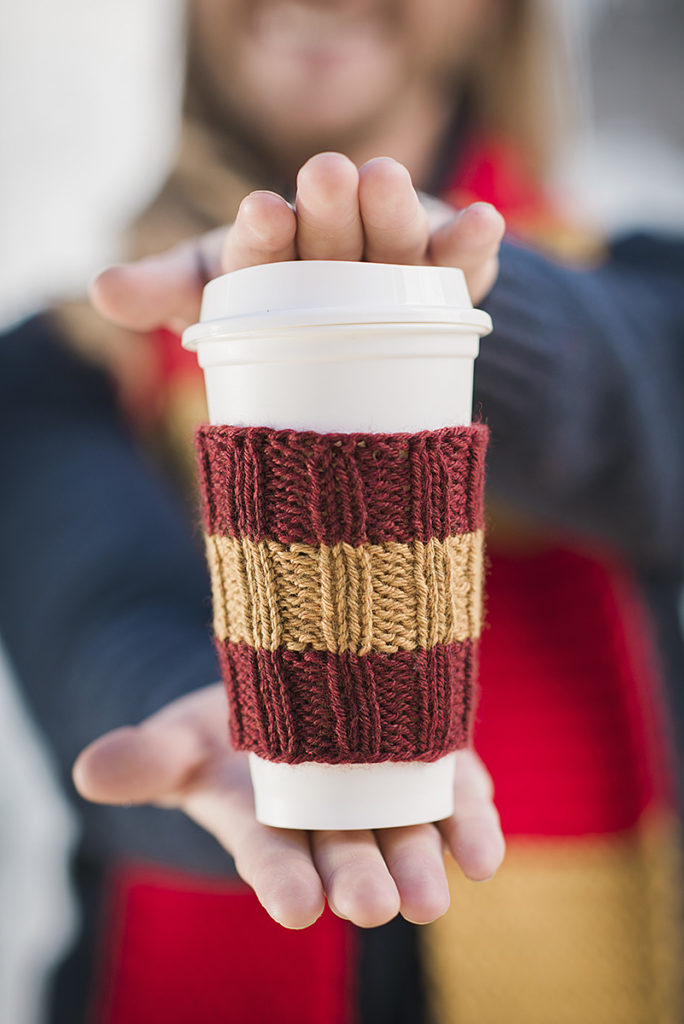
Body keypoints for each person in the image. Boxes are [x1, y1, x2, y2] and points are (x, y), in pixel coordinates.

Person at [1, 1, 683, 1021]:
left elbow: (649, 418)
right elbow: (103, 621)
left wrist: (457, 315)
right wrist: (259, 719)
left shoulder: (638, 284)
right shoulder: (63, 366)